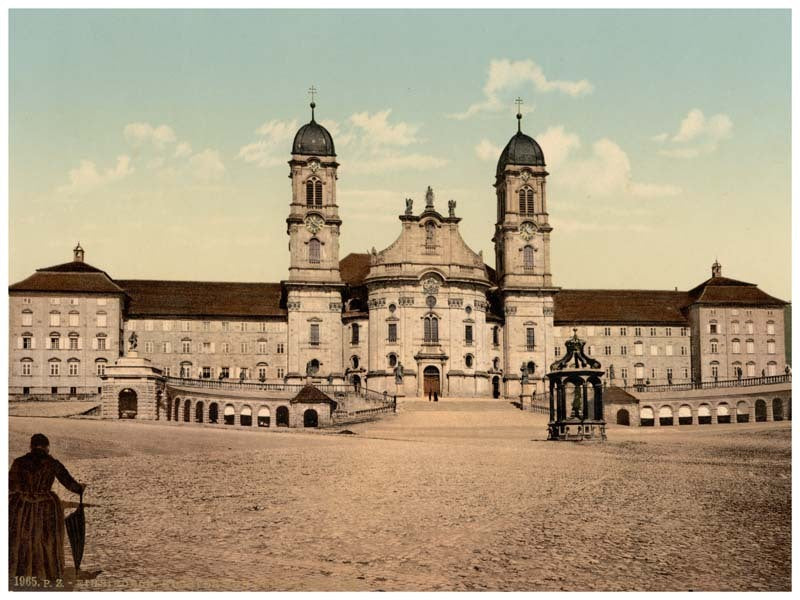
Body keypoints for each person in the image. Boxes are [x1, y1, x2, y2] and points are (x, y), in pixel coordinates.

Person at [9, 434, 86, 584]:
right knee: (47, 539)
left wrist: (22, 493)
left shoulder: (19, 462)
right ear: (47, 447)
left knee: (22, 537)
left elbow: (10, 484)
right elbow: (68, 482)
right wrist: (80, 488)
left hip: (23, 507)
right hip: (46, 507)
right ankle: (47, 572)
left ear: (31, 446)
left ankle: (22, 571)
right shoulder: (52, 463)